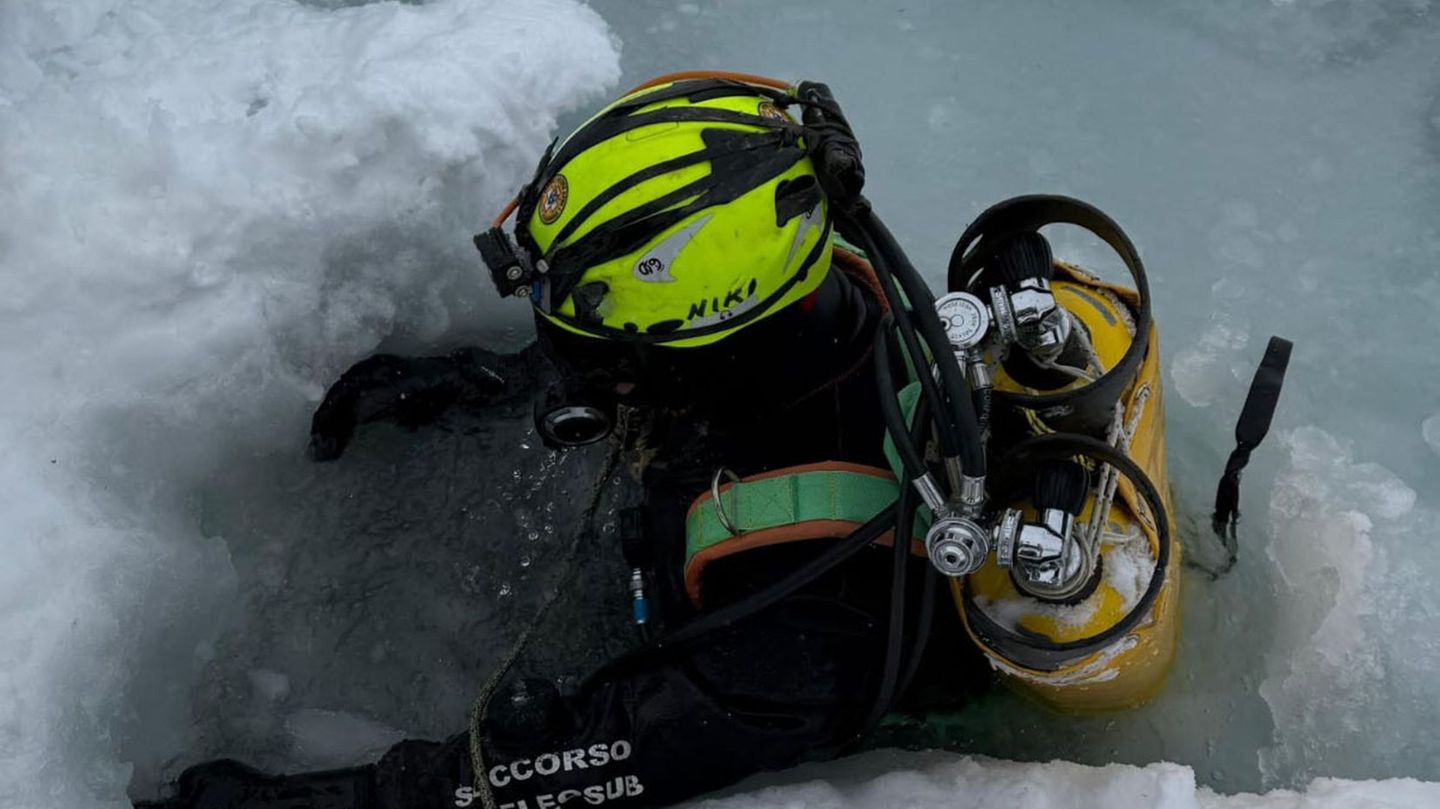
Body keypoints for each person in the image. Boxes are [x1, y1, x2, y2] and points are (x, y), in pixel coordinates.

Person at [139, 71, 1185, 809]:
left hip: (805, 668)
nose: (574, 364)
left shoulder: (803, 634)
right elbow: (653, 366)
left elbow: (556, 768)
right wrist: (482, 383)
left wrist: (327, 796)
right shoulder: (824, 296)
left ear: (706, 350)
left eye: (593, 350)